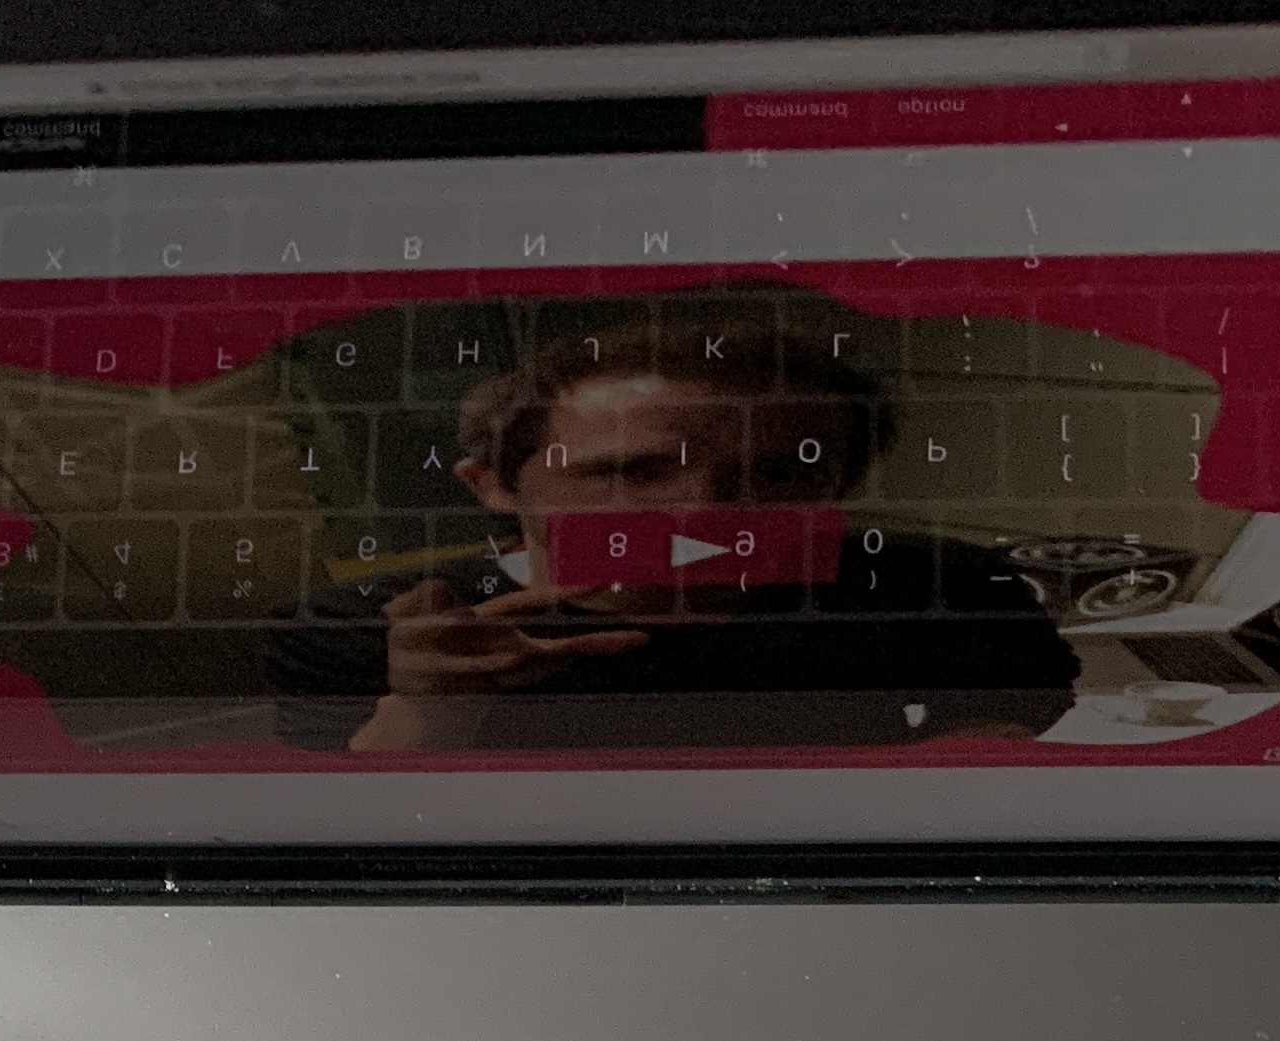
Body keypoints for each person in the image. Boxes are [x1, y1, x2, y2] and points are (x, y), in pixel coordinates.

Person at [265, 309, 1080, 754]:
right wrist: (427, 713)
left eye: (783, 476)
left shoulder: (940, 583)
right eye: (632, 470)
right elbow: (348, 844)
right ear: (494, 485)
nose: (706, 516)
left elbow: (1016, 701)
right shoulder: (357, 626)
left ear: (840, 487)